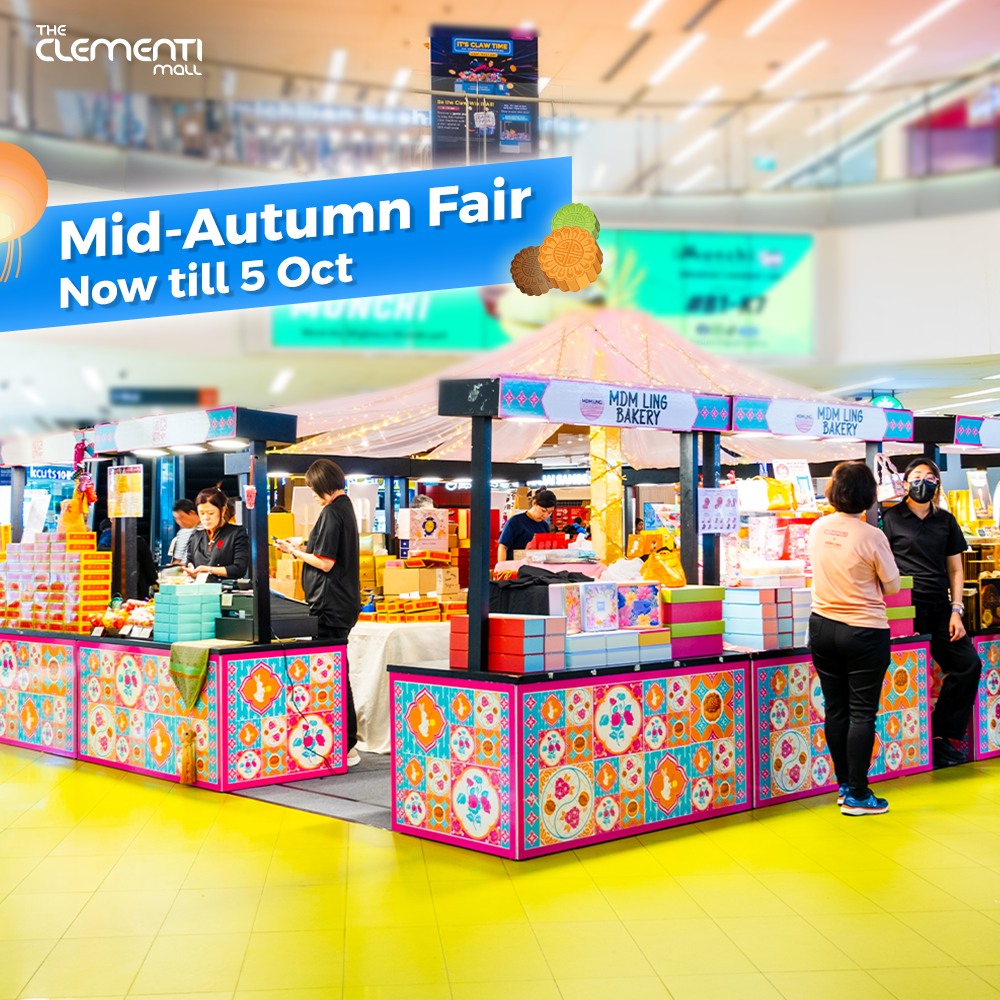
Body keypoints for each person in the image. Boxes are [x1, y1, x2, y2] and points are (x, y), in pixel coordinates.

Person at [808, 461, 900, 816]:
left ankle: (845, 785)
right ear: (868, 495)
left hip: (822, 626)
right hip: (864, 630)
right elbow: (892, 586)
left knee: (836, 709)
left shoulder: (818, 528)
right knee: (862, 713)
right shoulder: (871, 535)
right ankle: (860, 796)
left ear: (833, 491)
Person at [882, 457, 981, 769]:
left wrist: (957, 610)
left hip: (940, 607)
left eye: (930, 476)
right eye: (917, 475)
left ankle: (940, 736)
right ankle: (901, 744)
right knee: (897, 673)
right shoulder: (888, 517)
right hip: (901, 609)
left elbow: (955, 568)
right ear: (906, 481)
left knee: (968, 665)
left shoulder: (946, 521)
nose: (923, 481)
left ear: (937, 484)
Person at [275, 459, 361, 767]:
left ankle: (347, 744)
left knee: (336, 673)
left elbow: (325, 562)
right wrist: (300, 544)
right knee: (338, 670)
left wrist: (294, 552)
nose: (312, 494)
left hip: (331, 605)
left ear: (323, 485)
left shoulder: (331, 512)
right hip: (342, 603)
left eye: (313, 488)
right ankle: (345, 742)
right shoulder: (345, 507)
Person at [186, 487, 250, 580]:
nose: (206, 517)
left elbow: (239, 569)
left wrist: (209, 570)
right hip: (198, 589)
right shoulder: (195, 536)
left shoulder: (237, 533)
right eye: (201, 513)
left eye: (211, 513)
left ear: (223, 510)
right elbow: (189, 561)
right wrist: (189, 569)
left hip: (225, 590)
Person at [496, 489, 557, 562]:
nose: (546, 515)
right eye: (543, 510)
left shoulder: (544, 526)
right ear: (534, 503)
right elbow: (503, 547)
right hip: (514, 567)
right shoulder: (515, 522)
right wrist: (501, 569)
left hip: (536, 569)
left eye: (550, 512)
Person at [167, 499, 201, 566]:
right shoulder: (181, 533)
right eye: (176, 519)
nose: (179, 522)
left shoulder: (207, 530)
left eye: (181, 517)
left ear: (192, 513)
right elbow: (178, 560)